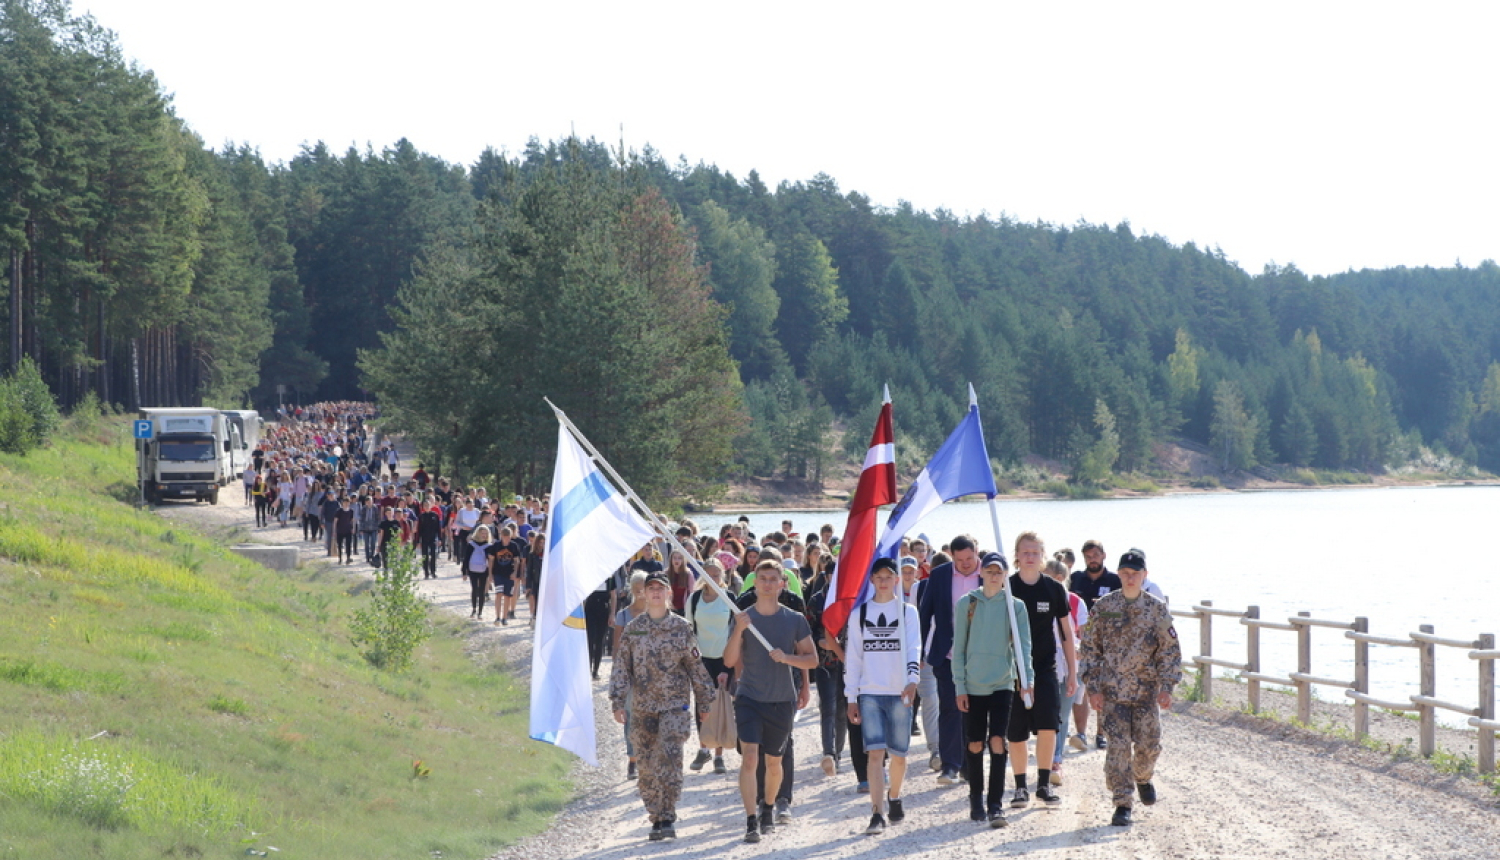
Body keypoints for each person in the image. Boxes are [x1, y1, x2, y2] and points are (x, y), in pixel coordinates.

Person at [610, 571, 717, 841]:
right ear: (643, 593)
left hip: (674, 706)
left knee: (668, 757)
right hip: (643, 707)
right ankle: (655, 816)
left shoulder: (681, 628)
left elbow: (695, 665)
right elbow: (622, 666)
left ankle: (668, 814)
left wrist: (705, 700)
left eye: (661, 588)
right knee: (646, 766)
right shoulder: (634, 629)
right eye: (651, 588)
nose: (656, 592)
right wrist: (618, 700)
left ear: (669, 593)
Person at [1078, 548, 1182, 827]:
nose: (1129, 578)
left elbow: (1169, 651)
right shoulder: (1104, 607)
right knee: (1118, 748)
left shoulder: (1156, 609)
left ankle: (1143, 777)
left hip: (1147, 693)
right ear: (1118, 574)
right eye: (1124, 573)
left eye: (1135, 573)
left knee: (1149, 746)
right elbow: (1089, 650)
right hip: (1113, 693)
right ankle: (1122, 803)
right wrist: (1093, 688)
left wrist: (1167, 687)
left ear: (1144, 575)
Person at [723, 561, 817, 843]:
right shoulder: (744, 618)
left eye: (772, 579)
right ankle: (751, 820)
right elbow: (728, 661)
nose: (766, 583)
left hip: (781, 699)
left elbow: (812, 658)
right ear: (755, 584)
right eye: (762, 578)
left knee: (774, 763)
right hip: (749, 697)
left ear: (782, 584)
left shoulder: (794, 619)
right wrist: (739, 630)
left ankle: (768, 807)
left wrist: (787, 658)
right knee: (750, 757)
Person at [953, 552, 1032, 827]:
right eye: (989, 571)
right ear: (981, 572)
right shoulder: (968, 603)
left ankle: (995, 804)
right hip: (973, 684)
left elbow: (1024, 647)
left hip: (1002, 683)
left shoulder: (1015, 606)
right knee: (975, 743)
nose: (994, 576)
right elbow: (959, 647)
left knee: (998, 741)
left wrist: (1027, 680)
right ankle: (976, 797)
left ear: (1005, 575)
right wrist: (959, 686)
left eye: (999, 571)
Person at [844, 558, 921, 835]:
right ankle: (876, 813)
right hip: (871, 693)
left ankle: (895, 795)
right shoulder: (860, 614)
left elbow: (914, 647)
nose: (884, 581)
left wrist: (913, 680)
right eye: (879, 577)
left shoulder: (907, 612)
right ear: (872, 581)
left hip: (899, 692)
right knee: (875, 754)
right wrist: (851, 696)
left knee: (899, 755)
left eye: (889, 576)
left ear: (897, 580)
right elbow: (853, 657)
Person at [1005, 531, 1076, 808]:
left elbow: (1066, 632)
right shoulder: (1006, 588)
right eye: (1025, 552)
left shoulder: (1054, 588)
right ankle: (1020, 787)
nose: (1030, 557)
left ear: (1042, 556)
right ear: (1017, 556)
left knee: (1049, 727)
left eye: (1035, 552)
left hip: (1045, 669)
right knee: (1017, 731)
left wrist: (1072, 669)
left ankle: (1044, 785)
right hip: (1012, 671)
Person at [917, 534, 984, 786]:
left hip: (981, 656)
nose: (966, 564)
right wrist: (920, 650)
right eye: (960, 560)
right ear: (952, 556)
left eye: (970, 558)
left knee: (975, 711)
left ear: (976, 551)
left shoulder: (990, 572)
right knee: (950, 709)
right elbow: (926, 615)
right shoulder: (940, 575)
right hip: (947, 654)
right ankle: (950, 766)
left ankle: (970, 763)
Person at [1070, 539, 1122, 749]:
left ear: (1103, 555)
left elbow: (1122, 610)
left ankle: (1101, 734)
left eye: (1096, 555)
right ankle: (1080, 733)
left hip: (1107, 642)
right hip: (1080, 643)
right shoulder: (1075, 579)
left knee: (1103, 688)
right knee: (1080, 688)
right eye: (1088, 556)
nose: (1092, 560)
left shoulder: (1115, 580)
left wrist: (1101, 610)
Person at [686, 557, 734, 774]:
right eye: (708, 575)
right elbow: (688, 631)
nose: (713, 579)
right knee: (701, 705)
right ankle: (704, 748)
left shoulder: (729, 598)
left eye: (716, 575)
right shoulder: (695, 599)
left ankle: (719, 755)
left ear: (722, 575)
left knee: (721, 705)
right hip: (700, 659)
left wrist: (729, 665)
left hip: (724, 658)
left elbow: (735, 631)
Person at [1044, 557, 1088, 785]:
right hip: (1043, 663)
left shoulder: (1075, 602)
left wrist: (1080, 650)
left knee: (1062, 713)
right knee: (1046, 713)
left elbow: (1084, 634)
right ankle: (1047, 755)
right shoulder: (1036, 600)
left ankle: (1056, 759)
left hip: (1069, 662)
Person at [489, 524, 527, 626]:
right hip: (498, 573)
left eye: (508, 537)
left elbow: (516, 560)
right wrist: (490, 574)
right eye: (504, 537)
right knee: (498, 594)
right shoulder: (496, 546)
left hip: (509, 574)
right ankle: (497, 616)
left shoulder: (514, 546)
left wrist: (515, 572)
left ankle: (504, 617)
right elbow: (491, 560)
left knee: (507, 596)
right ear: (501, 536)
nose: (506, 539)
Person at [463, 525, 493, 619]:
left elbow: (491, 561)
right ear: (478, 533)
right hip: (472, 569)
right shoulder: (471, 544)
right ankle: (474, 609)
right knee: (474, 589)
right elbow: (466, 558)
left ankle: (480, 612)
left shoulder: (489, 546)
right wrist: (464, 572)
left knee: (482, 591)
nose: (484, 535)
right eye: (482, 533)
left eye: (486, 533)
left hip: (484, 570)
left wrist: (491, 574)